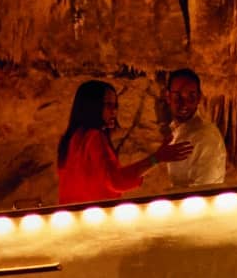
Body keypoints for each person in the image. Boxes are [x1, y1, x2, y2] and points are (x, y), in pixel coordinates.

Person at [56, 78, 190, 204]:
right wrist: (157, 158)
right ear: (92, 106)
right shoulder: (93, 137)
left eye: (115, 105)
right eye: (108, 105)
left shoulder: (72, 139)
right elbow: (115, 181)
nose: (114, 111)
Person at [147, 68, 229, 190]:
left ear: (199, 98)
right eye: (178, 96)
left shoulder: (205, 136)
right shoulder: (178, 131)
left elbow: (203, 193)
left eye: (191, 96)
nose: (184, 103)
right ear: (168, 97)